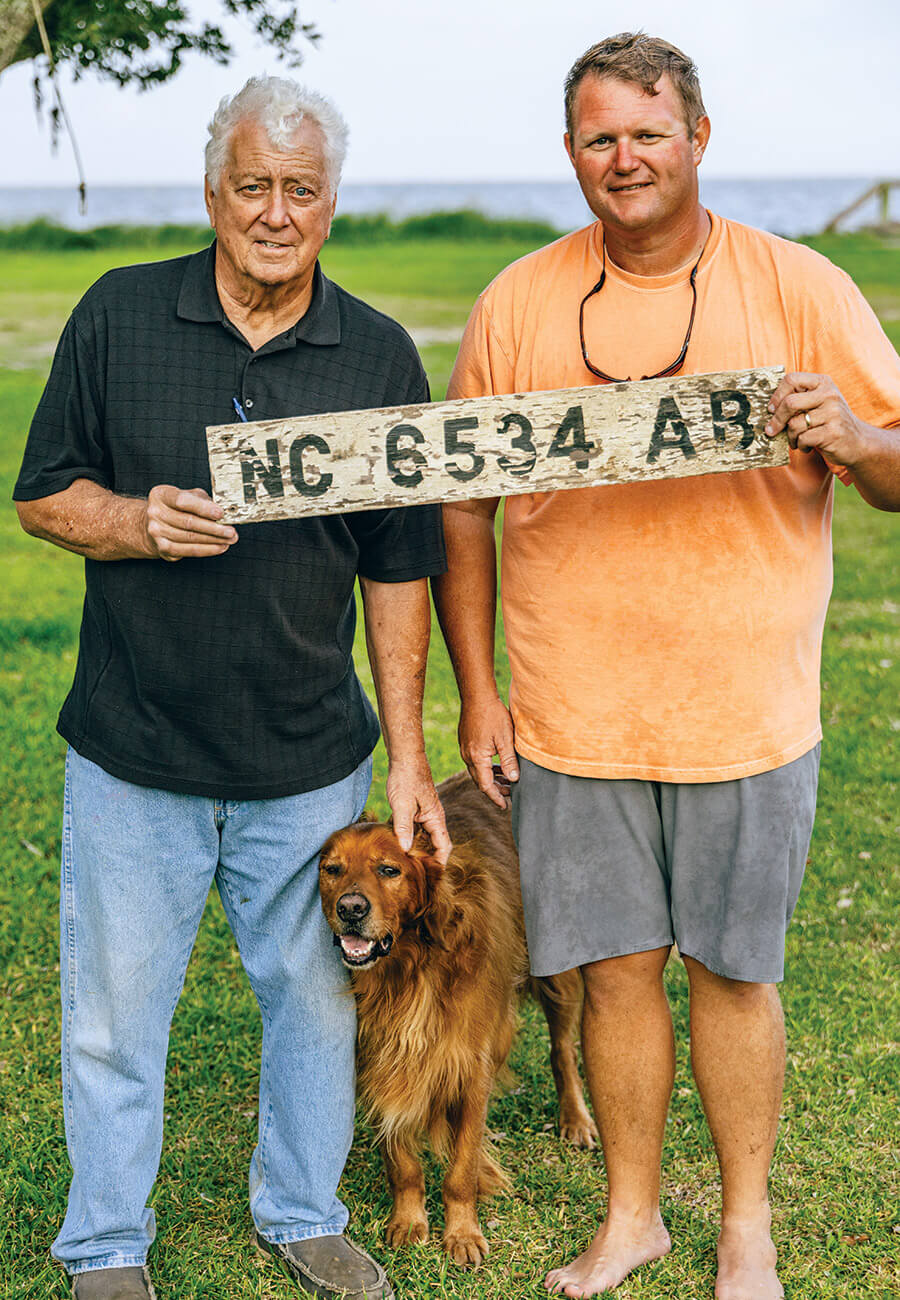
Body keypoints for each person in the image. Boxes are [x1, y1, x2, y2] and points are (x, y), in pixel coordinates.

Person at [431, 32, 900, 1300]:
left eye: (648, 132)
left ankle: (746, 1228)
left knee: (735, 974)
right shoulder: (518, 301)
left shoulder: (799, 284)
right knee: (613, 971)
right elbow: (462, 503)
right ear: (570, 151)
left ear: (698, 137)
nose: (624, 157)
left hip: (745, 712)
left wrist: (859, 440)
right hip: (573, 713)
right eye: (600, 137)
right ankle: (631, 1217)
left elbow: (898, 462)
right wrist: (478, 690)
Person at [14, 75, 451, 1300]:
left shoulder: (377, 351)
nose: (274, 212)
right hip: (133, 750)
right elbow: (43, 493)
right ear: (212, 192)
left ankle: (304, 1211)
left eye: (300, 189)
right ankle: (107, 1243)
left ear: (331, 204)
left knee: (314, 1000)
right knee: (113, 1016)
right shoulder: (118, 312)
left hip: (308, 761)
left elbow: (400, 565)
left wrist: (409, 756)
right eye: (252, 184)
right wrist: (133, 521)